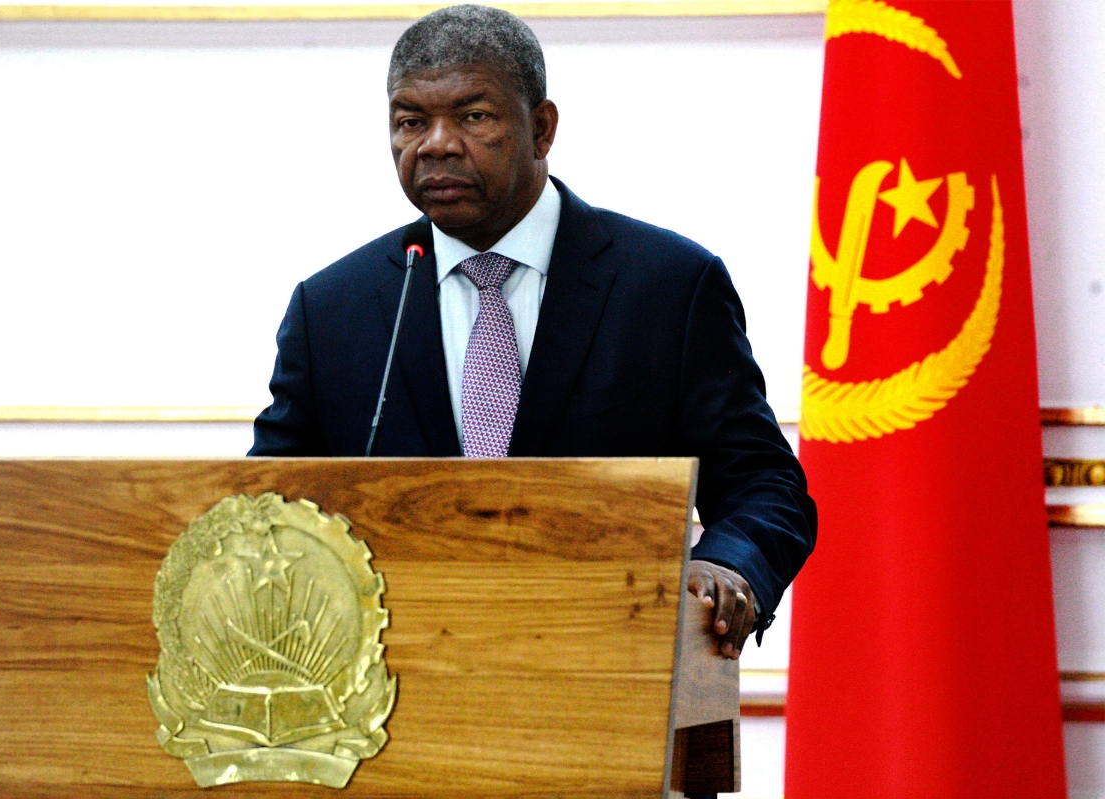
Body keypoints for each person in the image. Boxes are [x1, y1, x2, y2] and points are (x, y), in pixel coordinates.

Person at [250, 4, 816, 659]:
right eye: (410, 121)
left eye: (473, 116)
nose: (434, 144)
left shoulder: (665, 287)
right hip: (392, 689)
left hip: (607, 669)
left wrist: (729, 564)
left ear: (542, 129)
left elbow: (763, 486)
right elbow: (269, 509)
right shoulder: (334, 309)